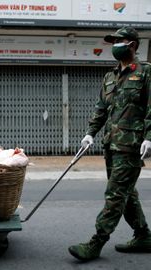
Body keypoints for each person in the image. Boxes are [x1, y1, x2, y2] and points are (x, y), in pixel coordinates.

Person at [68, 27, 151, 261]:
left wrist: (150, 136)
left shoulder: (146, 73)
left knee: (115, 195)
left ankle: (96, 242)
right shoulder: (110, 76)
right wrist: (89, 134)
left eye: (120, 41)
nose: (115, 45)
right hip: (111, 145)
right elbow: (101, 109)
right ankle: (144, 235)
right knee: (127, 195)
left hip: (132, 146)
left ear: (133, 45)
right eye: (113, 42)